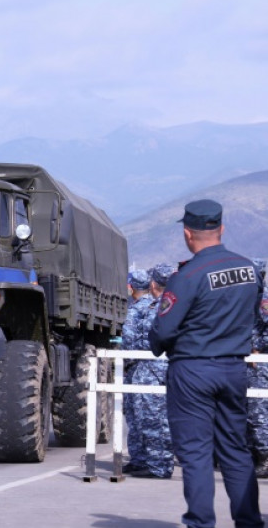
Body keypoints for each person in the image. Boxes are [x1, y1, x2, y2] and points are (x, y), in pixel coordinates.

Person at [149, 200, 263, 528]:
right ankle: (250, 522)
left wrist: (158, 342)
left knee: (197, 455)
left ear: (187, 234)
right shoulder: (249, 270)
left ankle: (200, 524)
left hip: (193, 371)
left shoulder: (188, 275)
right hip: (233, 370)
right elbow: (252, 316)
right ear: (221, 229)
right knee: (236, 450)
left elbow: (164, 330)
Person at [126, 263, 176, 479]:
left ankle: (158, 467)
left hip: (150, 370)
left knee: (151, 419)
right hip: (170, 370)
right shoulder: (176, 305)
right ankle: (158, 464)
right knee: (159, 419)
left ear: (153, 283)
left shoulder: (153, 308)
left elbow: (136, 342)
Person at [121, 268, 153, 474]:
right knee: (147, 414)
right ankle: (143, 460)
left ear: (130, 287)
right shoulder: (155, 306)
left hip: (138, 368)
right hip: (152, 366)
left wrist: (125, 361)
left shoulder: (135, 310)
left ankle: (144, 460)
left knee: (137, 414)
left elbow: (129, 341)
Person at [248, 257, 268, 478]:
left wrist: (258, 349)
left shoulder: (263, 296)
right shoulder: (255, 296)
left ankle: (264, 458)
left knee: (259, 411)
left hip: (261, 361)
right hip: (256, 359)